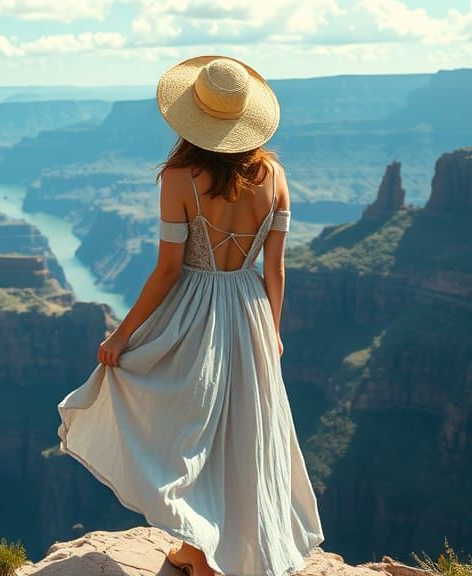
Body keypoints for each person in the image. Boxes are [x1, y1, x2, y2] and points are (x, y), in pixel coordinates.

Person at [56, 55, 325, 576]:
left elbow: (167, 272)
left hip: (195, 316)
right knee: (241, 434)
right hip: (249, 313)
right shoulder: (275, 176)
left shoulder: (180, 178)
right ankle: (198, 549)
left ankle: (204, 561)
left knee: (189, 432)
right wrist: (273, 330)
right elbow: (277, 269)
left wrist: (121, 335)